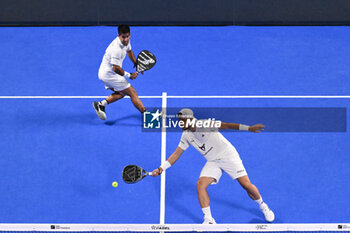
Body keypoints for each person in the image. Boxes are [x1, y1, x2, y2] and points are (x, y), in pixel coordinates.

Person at [152, 108, 275, 224]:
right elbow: (176, 153)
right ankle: (209, 219)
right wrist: (161, 168)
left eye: (183, 121)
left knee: (246, 185)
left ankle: (263, 206)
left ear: (190, 119)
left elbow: (226, 125)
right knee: (200, 185)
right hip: (213, 161)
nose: (181, 124)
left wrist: (249, 128)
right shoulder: (186, 135)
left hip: (228, 156)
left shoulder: (205, 124)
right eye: (180, 121)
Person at [93, 25, 146, 120]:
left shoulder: (126, 42)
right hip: (109, 74)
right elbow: (116, 68)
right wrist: (130, 75)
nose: (126, 39)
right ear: (118, 36)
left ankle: (101, 105)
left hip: (105, 72)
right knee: (132, 92)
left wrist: (136, 63)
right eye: (123, 37)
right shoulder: (116, 49)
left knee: (121, 93)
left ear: (130, 35)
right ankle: (147, 116)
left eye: (127, 36)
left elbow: (129, 51)